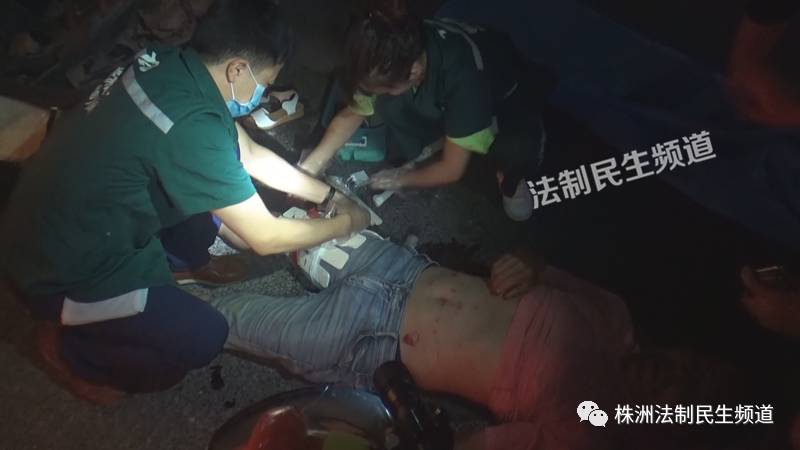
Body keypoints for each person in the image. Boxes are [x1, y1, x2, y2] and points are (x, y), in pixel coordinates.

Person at [0, 0, 369, 401]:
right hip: (60, 266)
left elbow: (247, 153)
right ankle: (73, 351)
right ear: (237, 70)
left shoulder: (168, 62)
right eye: (266, 82)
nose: (264, 94)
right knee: (203, 337)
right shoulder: (192, 127)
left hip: (64, 212)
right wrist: (346, 223)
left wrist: (330, 195)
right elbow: (265, 237)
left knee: (215, 181)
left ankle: (180, 262)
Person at [207, 231, 763, 450]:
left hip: (366, 342)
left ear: (670, 425)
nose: (674, 375)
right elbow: (538, 262)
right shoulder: (613, 316)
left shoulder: (588, 429)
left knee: (211, 320)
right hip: (399, 267)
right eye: (693, 365)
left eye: (686, 393)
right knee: (271, 218)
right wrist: (528, 260)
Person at [297, 1, 552, 221]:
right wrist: (313, 164)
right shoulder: (391, 50)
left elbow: (452, 169)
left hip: (503, 98)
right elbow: (354, 111)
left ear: (414, 72)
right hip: (443, 86)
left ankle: (510, 178)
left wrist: (401, 179)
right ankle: (436, 142)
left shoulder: (464, 79)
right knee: (390, 105)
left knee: (514, 149)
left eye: (383, 87)